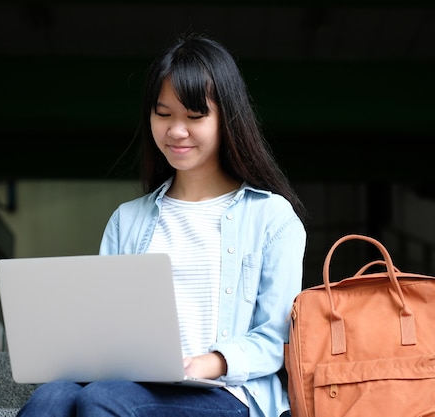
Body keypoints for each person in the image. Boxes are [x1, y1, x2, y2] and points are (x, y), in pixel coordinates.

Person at [16, 32, 307, 417]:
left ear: (227, 118)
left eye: (194, 116)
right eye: (163, 114)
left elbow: (276, 338)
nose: (176, 131)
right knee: (49, 399)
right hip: (127, 384)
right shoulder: (127, 219)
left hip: (228, 394)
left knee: (101, 399)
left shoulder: (272, 217)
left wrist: (205, 363)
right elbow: (102, 324)